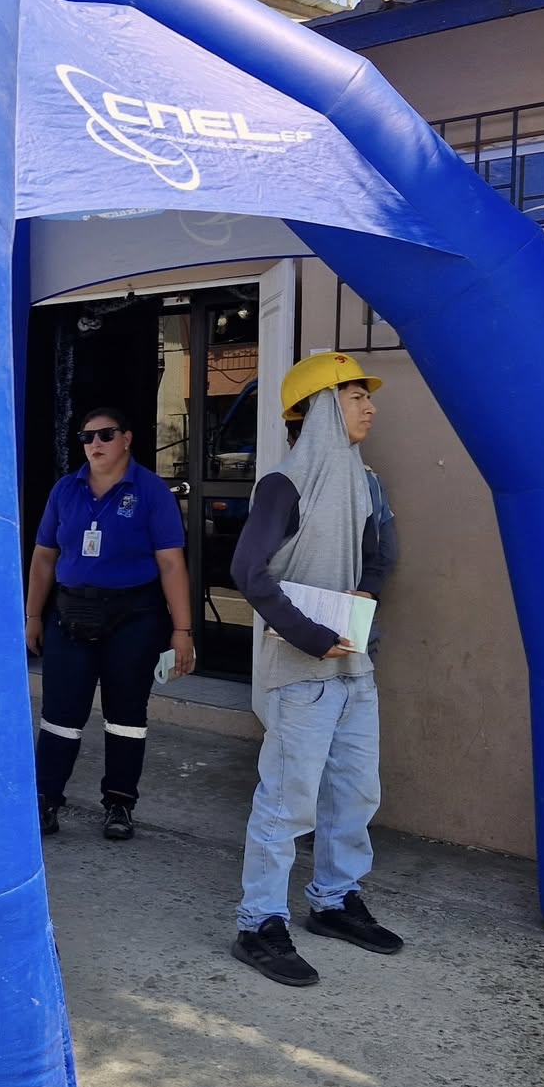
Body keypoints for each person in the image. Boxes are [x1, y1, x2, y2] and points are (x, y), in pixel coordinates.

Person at [228, 355, 399, 988]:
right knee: (286, 801)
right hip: (301, 673)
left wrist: (361, 603)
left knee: (355, 791)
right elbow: (247, 572)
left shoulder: (364, 481)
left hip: (353, 667)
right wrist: (311, 634)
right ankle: (259, 923)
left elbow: (380, 556)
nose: (369, 406)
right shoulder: (283, 485)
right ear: (323, 406)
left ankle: (334, 900)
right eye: (354, 395)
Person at [25, 406, 195, 842]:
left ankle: (119, 804)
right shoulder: (65, 490)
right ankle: (45, 800)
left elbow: (171, 564)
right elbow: (44, 557)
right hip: (71, 613)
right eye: (86, 437)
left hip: (133, 616)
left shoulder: (151, 492)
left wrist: (182, 631)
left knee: (126, 716)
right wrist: (32, 616)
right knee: (60, 714)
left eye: (105, 435)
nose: (95, 444)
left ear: (127, 438)